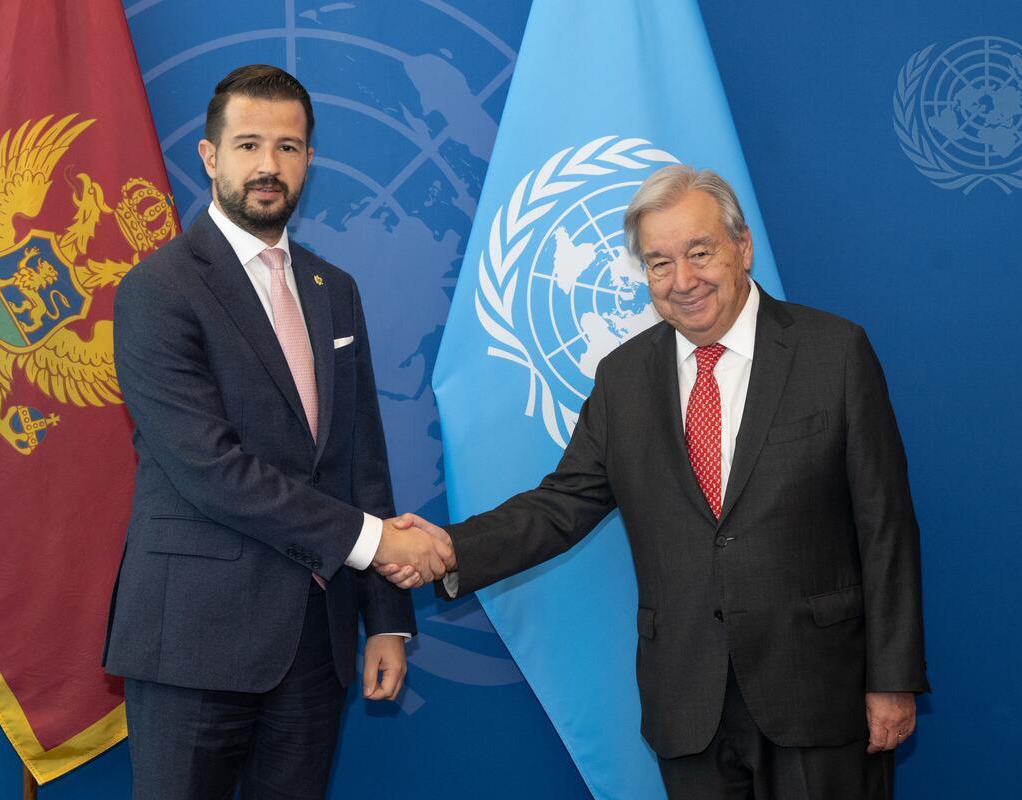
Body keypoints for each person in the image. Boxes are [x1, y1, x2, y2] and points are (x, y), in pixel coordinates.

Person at [383, 167, 928, 798]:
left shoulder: (833, 352)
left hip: (818, 691)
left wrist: (893, 678)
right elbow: (561, 505)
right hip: (688, 701)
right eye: (659, 263)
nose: (682, 281)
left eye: (700, 253)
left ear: (742, 247)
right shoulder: (624, 378)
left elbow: (885, 528)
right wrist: (451, 548)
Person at [102, 64, 453, 800]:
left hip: (313, 644)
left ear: (309, 160)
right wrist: (378, 543)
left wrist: (387, 620)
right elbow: (210, 470)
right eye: (249, 145)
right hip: (193, 642)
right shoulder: (157, 290)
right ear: (210, 157)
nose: (269, 165)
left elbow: (361, 459)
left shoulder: (334, 289)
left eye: (288, 147)